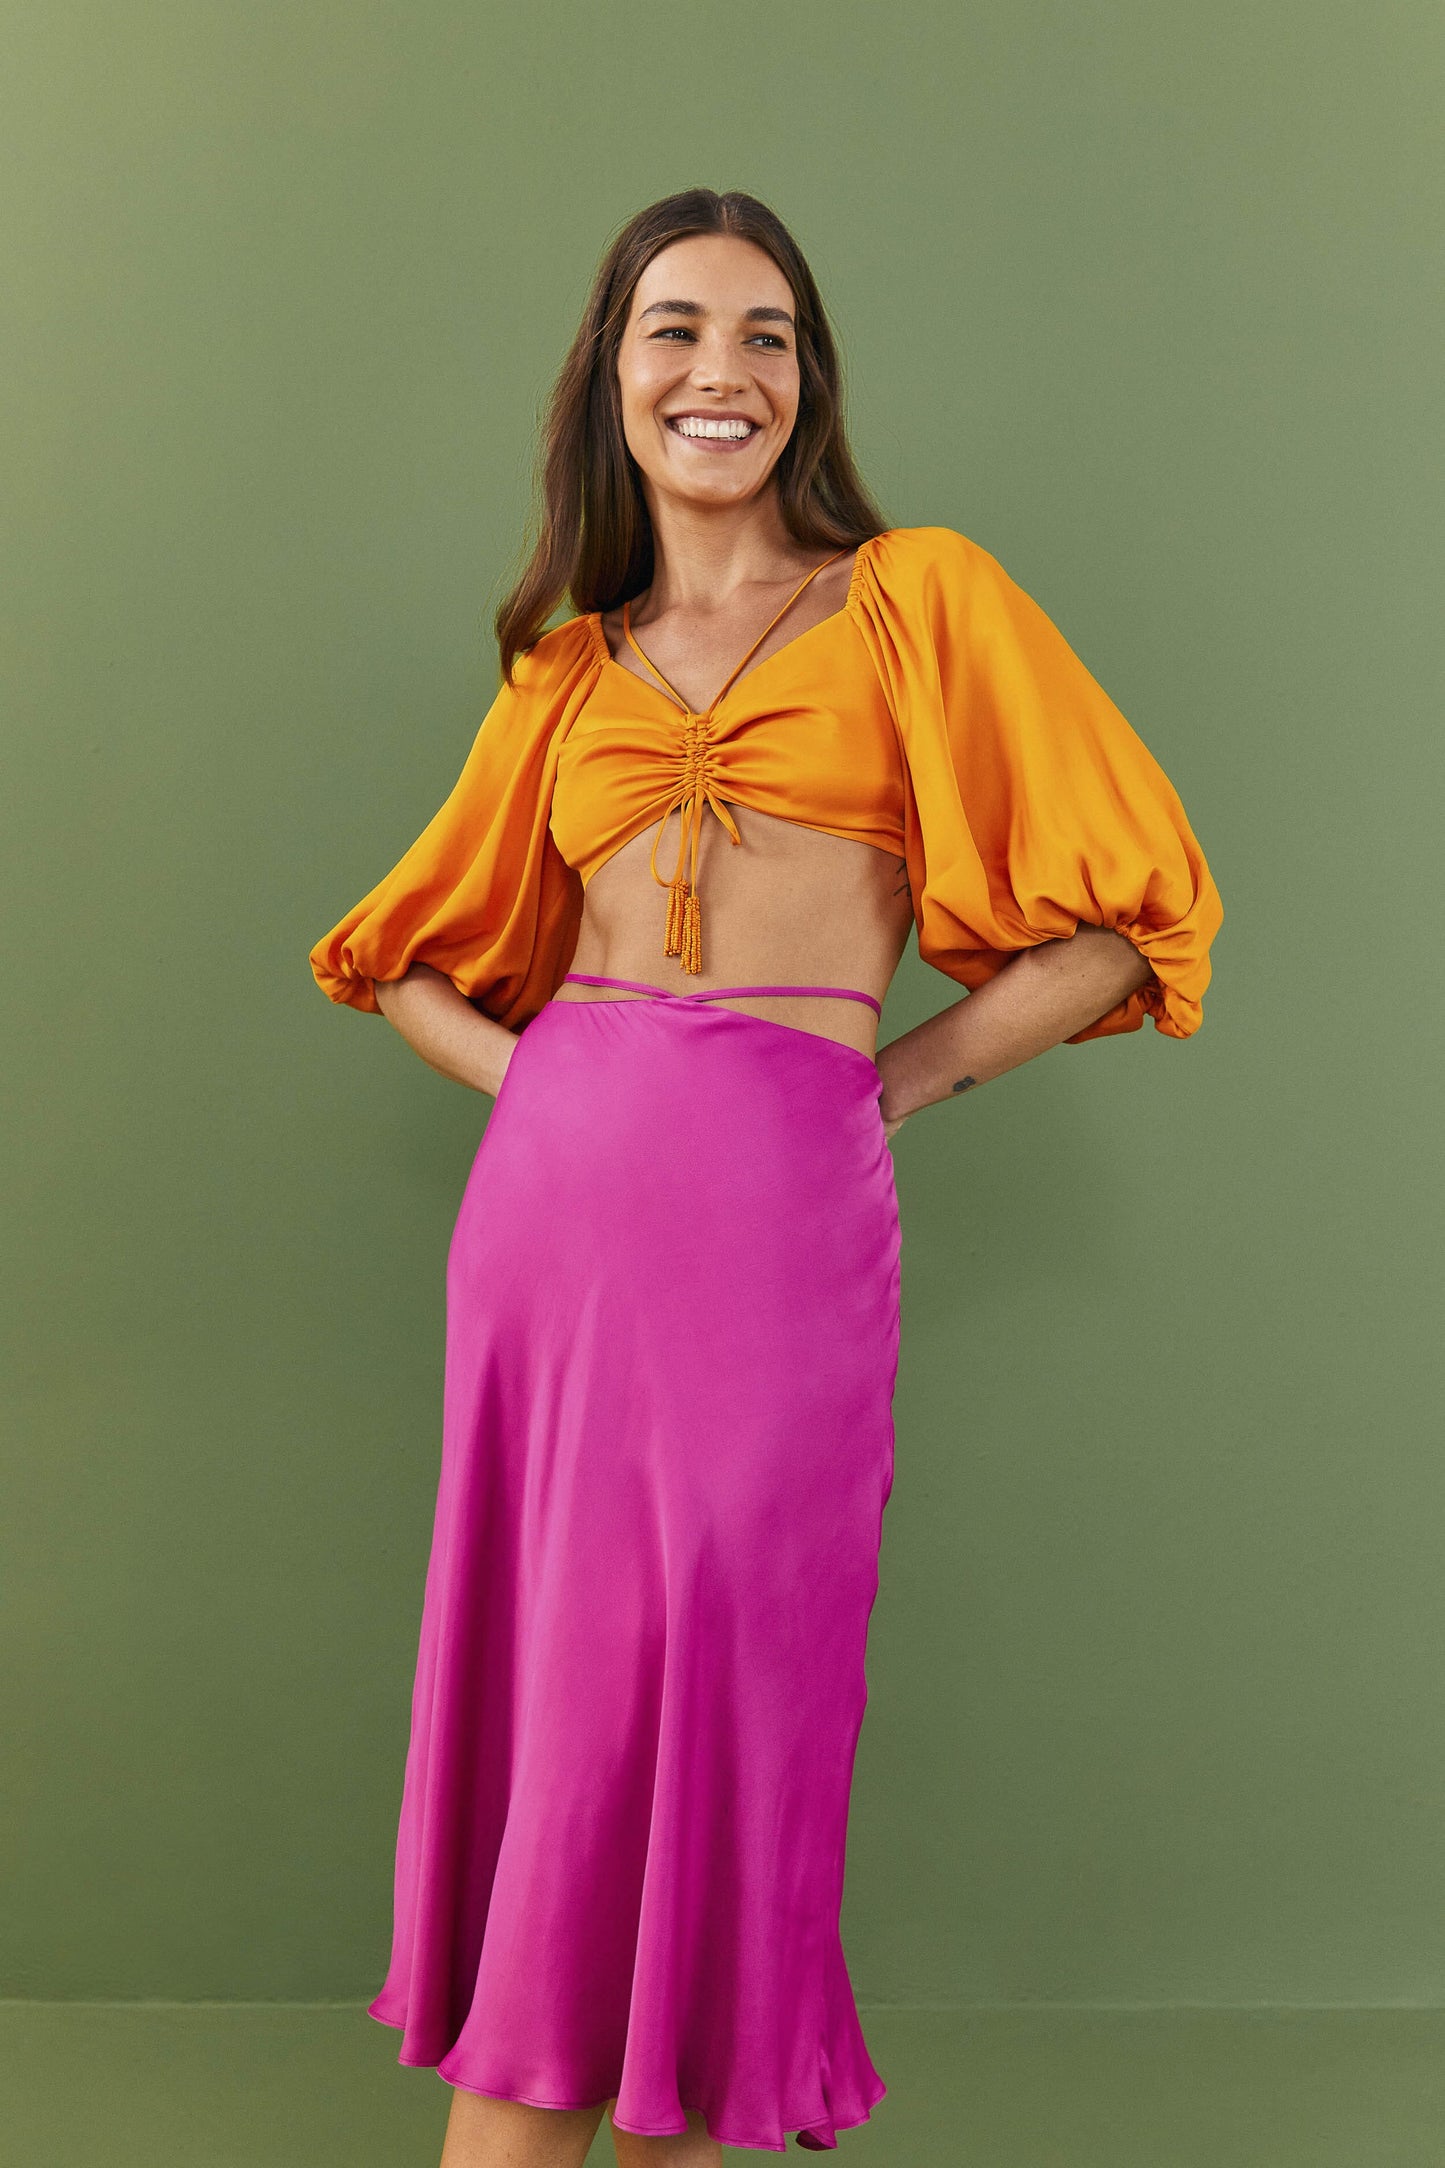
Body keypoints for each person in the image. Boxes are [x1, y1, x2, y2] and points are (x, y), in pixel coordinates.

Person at [309, 188, 1222, 2168]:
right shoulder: (563, 672)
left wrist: (887, 1083)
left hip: (780, 1218)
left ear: (807, 382)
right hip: (552, 1226)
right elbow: (404, 963)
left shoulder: (918, 601)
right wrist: (563, 1080)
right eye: (675, 329)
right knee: (565, 1709)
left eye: (765, 335)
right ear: (611, 377)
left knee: (722, 1686)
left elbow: (1127, 919)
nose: (718, 370)